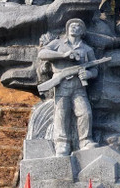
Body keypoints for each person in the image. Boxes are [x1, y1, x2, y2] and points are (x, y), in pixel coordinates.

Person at [37, 19, 101, 156]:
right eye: (71, 25)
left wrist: (88, 74)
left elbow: (95, 69)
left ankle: (85, 141)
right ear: (67, 29)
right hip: (62, 84)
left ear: (82, 31)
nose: (74, 27)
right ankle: (61, 143)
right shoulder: (58, 43)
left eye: (78, 26)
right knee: (61, 113)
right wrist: (63, 55)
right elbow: (42, 54)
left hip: (78, 86)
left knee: (85, 112)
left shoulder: (87, 49)